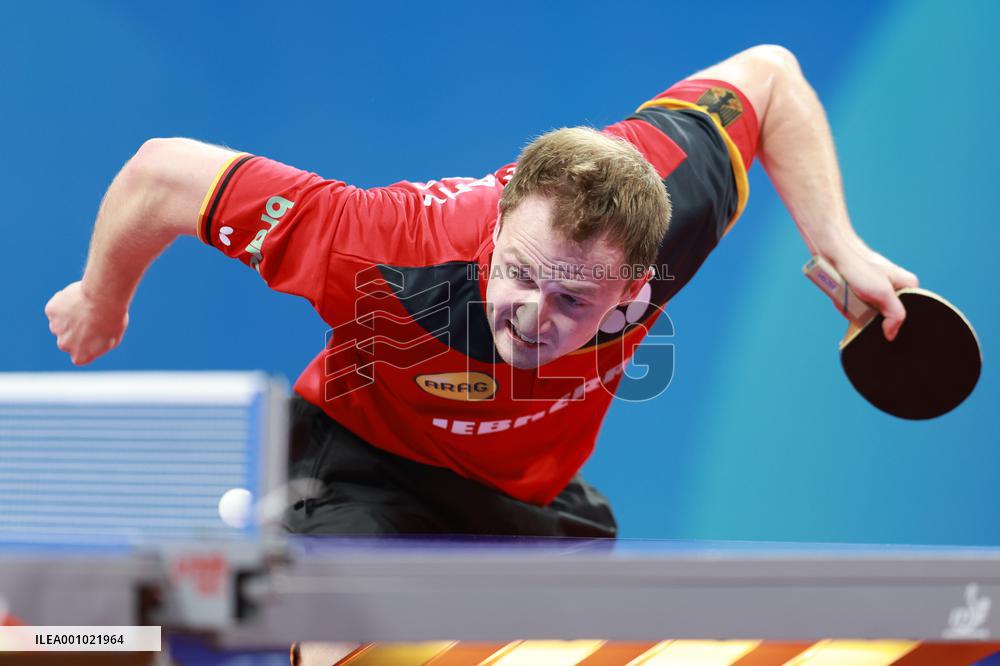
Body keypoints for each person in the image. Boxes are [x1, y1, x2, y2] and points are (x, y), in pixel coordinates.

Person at [45, 45, 918, 537]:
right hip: (358, 469)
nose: (531, 317)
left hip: (522, 503)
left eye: (573, 301)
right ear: (498, 231)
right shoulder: (386, 242)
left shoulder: (677, 203)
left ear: (633, 290)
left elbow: (770, 75)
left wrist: (837, 244)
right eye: (520, 274)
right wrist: (100, 297)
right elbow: (161, 175)